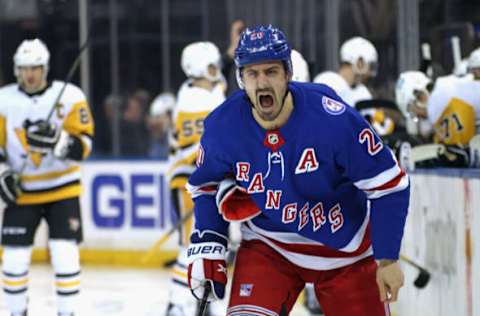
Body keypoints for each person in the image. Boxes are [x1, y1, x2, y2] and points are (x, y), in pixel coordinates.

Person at [185, 25, 410, 316]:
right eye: (252, 73)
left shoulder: (333, 119)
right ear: (241, 79)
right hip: (270, 246)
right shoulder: (223, 126)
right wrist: (209, 240)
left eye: (271, 72)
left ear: (288, 74)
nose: (262, 82)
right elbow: (205, 185)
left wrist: (388, 258)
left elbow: (390, 186)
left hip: (347, 251)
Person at [0, 39, 94, 316]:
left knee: (65, 255)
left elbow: (85, 146)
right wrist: (3, 174)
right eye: (24, 68)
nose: (30, 74)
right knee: (14, 260)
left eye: (35, 68)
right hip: (23, 191)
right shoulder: (4, 100)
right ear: (16, 70)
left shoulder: (71, 96)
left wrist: (59, 141)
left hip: (62, 187)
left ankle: (68, 313)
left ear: (46, 68)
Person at [165, 41, 226, 316]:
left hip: (206, 181)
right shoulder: (193, 100)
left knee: (209, 242)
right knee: (192, 243)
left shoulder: (203, 91)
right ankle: (177, 304)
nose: (216, 72)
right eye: (211, 66)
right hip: (189, 181)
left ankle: (202, 302)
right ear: (197, 69)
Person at [313, 36, 377, 107]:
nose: (370, 73)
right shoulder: (328, 82)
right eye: (370, 66)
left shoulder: (361, 91)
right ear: (360, 62)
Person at [147, 92, 176, 159]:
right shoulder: (157, 141)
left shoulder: (181, 141)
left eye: (158, 117)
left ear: (170, 116)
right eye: (153, 117)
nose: (154, 122)